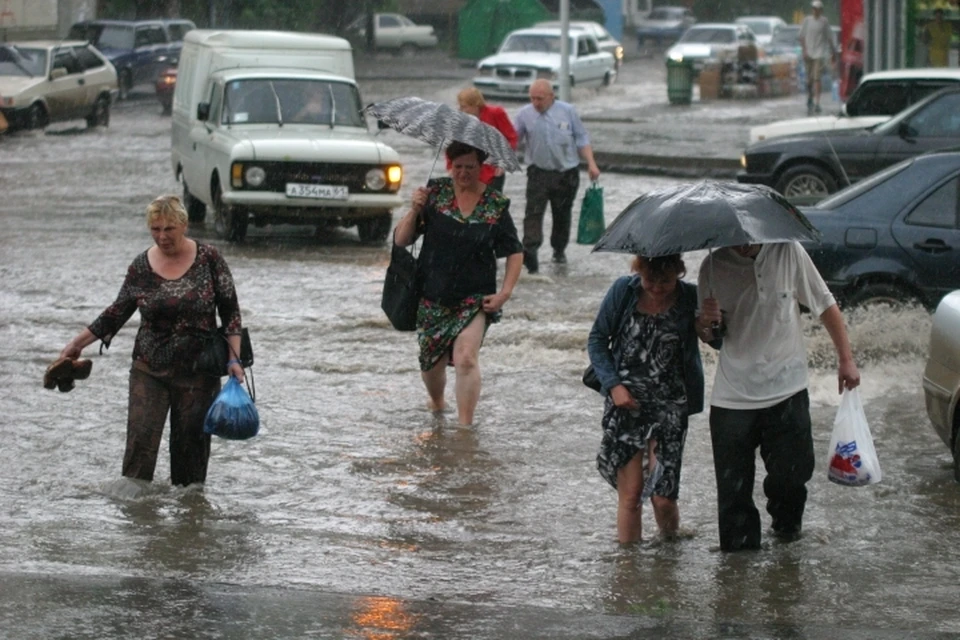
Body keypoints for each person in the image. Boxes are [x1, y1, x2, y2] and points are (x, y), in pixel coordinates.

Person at [58, 195, 245, 488]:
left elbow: (231, 313)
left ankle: (189, 526)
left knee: (190, 461)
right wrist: (77, 344)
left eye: (169, 228)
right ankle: (137, 527)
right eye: (155, 229)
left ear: (184, 224)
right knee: (139, 450)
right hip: (149, 369)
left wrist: (234, 359)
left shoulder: (210, 259)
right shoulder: (141, 267)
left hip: (198, 373)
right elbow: (116, 312)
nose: (162, 236)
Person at [697, 242, 860, 552]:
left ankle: (786, 545)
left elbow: (824, 304)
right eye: (736, 237)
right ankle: (736, 579)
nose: (743, 244)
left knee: (793, 475)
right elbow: (712, 338)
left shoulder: (789, 252)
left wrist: (846, 359)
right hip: (733, 396)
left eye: (750, 237)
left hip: (788, 387)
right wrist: (706, 323)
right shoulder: (712, 266)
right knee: (733, 497)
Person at [393, 141, 524, 425]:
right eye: (458, 167)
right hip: (433, 293)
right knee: (431, 363)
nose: (464, 173)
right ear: (450, 166)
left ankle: (465, 429)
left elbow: (514, 251)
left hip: (475, 298)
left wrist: (505, 293)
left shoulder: (495, 204)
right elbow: (401, 240)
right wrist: (414, 210)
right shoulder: (434, 194)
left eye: (471, 167)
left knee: (465, 358)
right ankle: (439, 403)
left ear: (482, 168)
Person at [587, 254, 710, 544]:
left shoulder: (690, 296)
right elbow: (597, 340)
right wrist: (613, 386)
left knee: (663, 496)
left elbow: (716, 340)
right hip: (626, 403)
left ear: (679, 273)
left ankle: (669, 554)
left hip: (671, 407)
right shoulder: (623, 291)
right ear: (639, 272)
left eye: (665, 282)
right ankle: (630, 572)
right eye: (650, 280)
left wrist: (709, 322)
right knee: (630, 497)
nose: (656, 288)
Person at [513, 78, 601, 273]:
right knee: (533, 213)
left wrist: (591, 164)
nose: (536, 103)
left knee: (561, 214)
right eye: (532, 98)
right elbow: (514, 139)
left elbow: (581, 138)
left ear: (551, 97)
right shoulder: (524, 114)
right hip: (538, 173)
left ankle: (558, 250)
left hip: (566, 174)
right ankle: (530, 250)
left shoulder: (567, 111)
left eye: (540, 98)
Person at [456, 87, 518, 194]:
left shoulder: (496, 113)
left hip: (494, 171)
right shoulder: (462, 121)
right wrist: (451, 168)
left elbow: (511, 138)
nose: (461, 110)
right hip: (470, 172)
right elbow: (454, 146)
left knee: (492, 207)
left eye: (464, 107)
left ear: (475, 105)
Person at [798, 0, 837, 115]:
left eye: (817, 9)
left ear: (821, 10)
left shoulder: (824, 22)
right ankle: (810, 96)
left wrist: (833, 52)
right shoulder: (807, 21)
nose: (815, 11)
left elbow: (829, 37)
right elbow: (801, 37)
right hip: (809, 53)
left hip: (819, 54)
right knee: (809, 80)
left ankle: (817, 102)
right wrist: (804, 51)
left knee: (817, 78)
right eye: (814, 9)